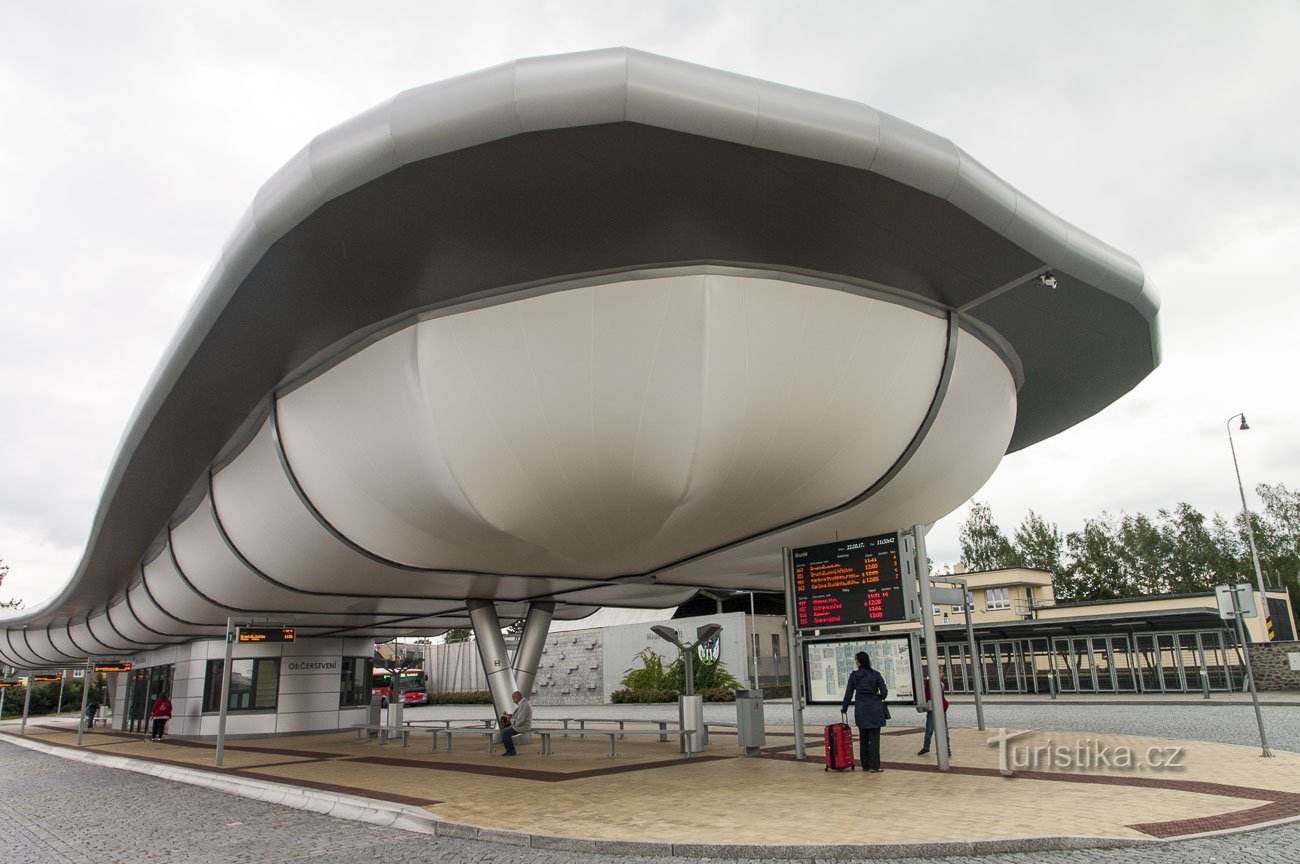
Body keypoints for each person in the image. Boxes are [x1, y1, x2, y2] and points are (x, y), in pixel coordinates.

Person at [840, 651, 888, 772]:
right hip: (876, 710)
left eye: (856, 660)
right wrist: (878, 697)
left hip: (861, 710)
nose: (856, 662)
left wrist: (844, 707)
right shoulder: (876, 675)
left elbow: (849, 694)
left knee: (863, 739)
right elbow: (884, 692)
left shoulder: (854, 676)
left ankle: (865, 765)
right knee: (875, 740)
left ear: (859, 662)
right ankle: (875, 766)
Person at [917, 670, 951, 757]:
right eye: (939, 672)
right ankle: (943, 749)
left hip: (937, 709)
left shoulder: (939, 684)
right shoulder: (933, 684)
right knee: (932, 729)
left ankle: (945, 748)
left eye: (941, 672)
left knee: (935, 729)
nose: (941, 673)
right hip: (935, 709)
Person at [499, 690, 532, 756]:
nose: (513, 701)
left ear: (516, 697)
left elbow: (520, 721)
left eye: (513, 698)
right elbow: (519, 717)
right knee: (503, 720)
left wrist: (510, 719)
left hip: (522, 727)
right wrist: (510, 716)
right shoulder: (523, 704)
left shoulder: (524, 705)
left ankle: (510, 751)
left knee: (504, 732)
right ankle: (510, 749)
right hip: (520, 725)